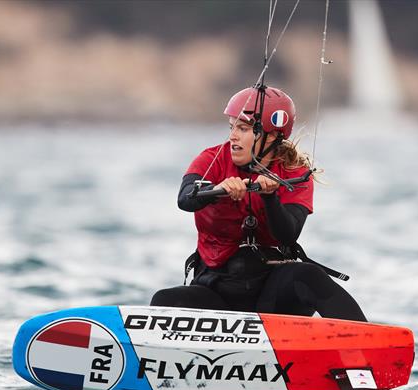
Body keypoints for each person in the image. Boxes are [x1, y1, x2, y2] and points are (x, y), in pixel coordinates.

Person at [150, 86, 367, 322]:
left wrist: (270, 197)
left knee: (308, 275)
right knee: (164, 299)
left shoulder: (295, 173)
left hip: (271, 297)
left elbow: (287, 235)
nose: (233, 136)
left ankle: (370, 344)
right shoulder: (210, 160)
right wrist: (217, 190)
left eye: (242, 128)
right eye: (231, 126)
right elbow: (185, 199)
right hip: (216, 290)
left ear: (271, 136)